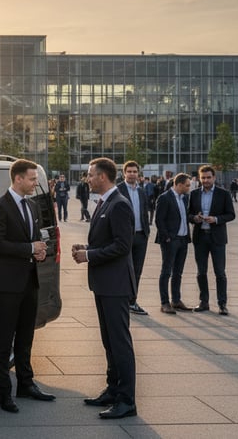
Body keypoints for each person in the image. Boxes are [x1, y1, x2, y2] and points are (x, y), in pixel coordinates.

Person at [71, 157, 137, 419]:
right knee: (109, 342)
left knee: (120, 343)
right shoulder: (105, 202)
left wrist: (89, 256)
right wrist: (87, 249)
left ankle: (127, 400)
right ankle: (112, 389)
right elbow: (107, 241)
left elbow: (123, 246)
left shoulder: (119, 204)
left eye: (90, 174)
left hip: (116, 285)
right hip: (103, 283)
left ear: (103, 176)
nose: (87, 179)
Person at [0, 159, 53, 413]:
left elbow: (35, 239)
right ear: (17, 179)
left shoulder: (34, 205)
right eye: (32, 178)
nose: (36, 183)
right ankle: (4, 394)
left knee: (27, 335)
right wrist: (29, 248)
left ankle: (26, 384)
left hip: (29, 280)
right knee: (5, 339)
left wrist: (39, 250)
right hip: (7, 282)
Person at [188, 165, 236, 315]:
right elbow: (188, 214)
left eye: (208, 177)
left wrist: (215, 219)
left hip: (217, 238)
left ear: (214, 177)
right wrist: (195, 218)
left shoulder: (223, 194)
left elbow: (231, 214)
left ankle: (222, 304)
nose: (206, 180)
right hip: (200, 237)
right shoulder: (194, 194)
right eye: (203, 178)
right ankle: (204, 302)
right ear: (199, 178)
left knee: (220, 272)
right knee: (201, 272)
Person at [154, 173, 192, 314]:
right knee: (166, 272)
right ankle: (164, 303)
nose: (189, 188)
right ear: (179, 184)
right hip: (171, 241)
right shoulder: (164, 198)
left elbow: (185, 216)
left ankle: (176, 300)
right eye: (187, 185)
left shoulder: (185, 198)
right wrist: (168, 238)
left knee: (178, 272)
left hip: (183, 240)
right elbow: (159, 220)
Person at [117, 161, 151, 316]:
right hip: (125, 237)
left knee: (137, 270)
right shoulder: (118, 190)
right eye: (129, 171)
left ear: (138, 174)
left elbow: (145, 212)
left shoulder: (142, 191)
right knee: (124, 270)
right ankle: (121, 301)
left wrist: (146, 232)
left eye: (134, 171)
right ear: (124, 173)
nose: (132, 174)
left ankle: (132, 301)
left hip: (141, 236)